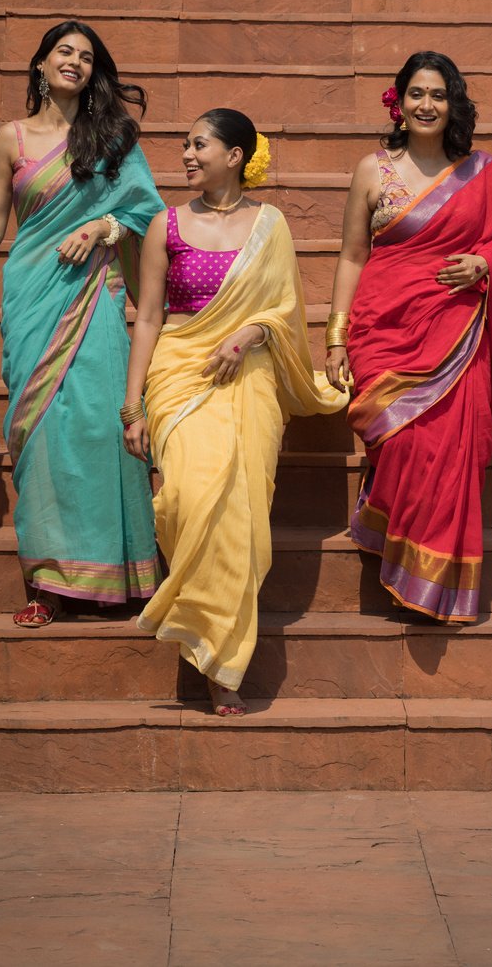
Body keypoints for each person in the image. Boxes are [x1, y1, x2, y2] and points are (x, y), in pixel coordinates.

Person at [325, 50, 492, 623]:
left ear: (453, 104)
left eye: (438, 94)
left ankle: (430, 581)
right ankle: (396, 537)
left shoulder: (483, 171)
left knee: (446, 444)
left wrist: (484, 263)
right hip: (382, 324)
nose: (426, 104)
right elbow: (350, 255)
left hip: (456, 324)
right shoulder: (372, 170)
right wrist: (336, 338)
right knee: (398, 439)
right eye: (416, 92)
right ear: (398, 101)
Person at [122, 108, 347, 716]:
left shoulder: (269, 226)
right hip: (177, 375)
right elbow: (146, 317)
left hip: (247, 381)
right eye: (186, 144)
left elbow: (283, 311)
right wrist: (131, 405)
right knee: (191, 499)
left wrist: (248, 334)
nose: (188, 155)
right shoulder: (164, 225)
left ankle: (221, 666)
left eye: (199, 144)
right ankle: (201, 634)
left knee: (241, 516)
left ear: (235, 155)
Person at [0, 19, 164, 626]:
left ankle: (126, 575)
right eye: (64, 51)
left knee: (99, 428)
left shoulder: (112, 137)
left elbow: (148, 211)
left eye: (86, 56)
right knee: (39, 437)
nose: (75, 61)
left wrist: (103, 227)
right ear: (40, 65)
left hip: (95, 292)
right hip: (31, 298)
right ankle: (46, 582)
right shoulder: (10, 138)